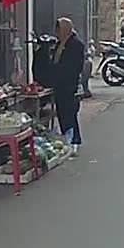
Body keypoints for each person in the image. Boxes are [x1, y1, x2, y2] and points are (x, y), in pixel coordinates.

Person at [52, 17, 85, 155]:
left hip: (70, 84)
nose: (57, 32)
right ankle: (68, 137)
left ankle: (73, 140)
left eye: (59, 29)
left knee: (70, 112)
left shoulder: (76, 45)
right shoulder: (59, 44)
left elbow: (75, 66)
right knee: (62, 111)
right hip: (60, 83)